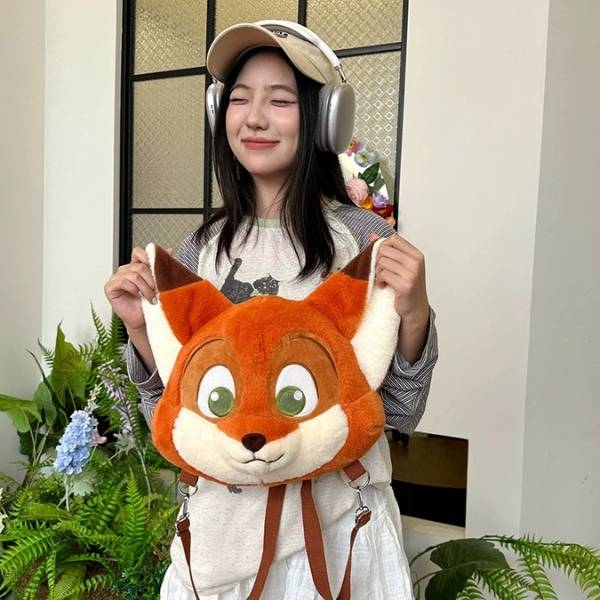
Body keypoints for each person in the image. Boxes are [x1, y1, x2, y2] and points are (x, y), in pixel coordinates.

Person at [104, 20, 438, 600]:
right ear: (220, 114)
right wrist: (139, 330)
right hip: (222, 536)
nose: (254, 118)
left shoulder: (364, 242)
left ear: (325, 117)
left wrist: (415, 313)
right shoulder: (199, 251)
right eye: (239, 99)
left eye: (280, 101)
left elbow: (399, 412)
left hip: (336, 535)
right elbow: (176, 420)